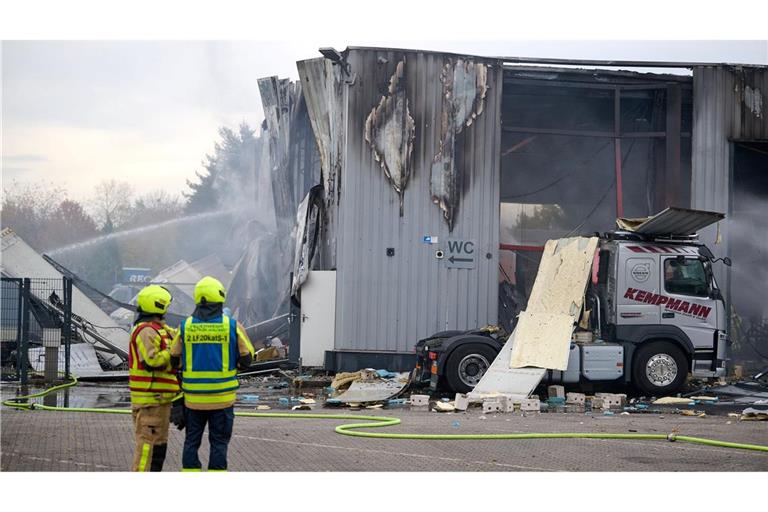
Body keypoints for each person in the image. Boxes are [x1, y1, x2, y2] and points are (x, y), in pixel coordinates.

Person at [170, 276, 254, 472]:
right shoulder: (231, 326)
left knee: (191, 441)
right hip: (222, 399)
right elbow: (247, 357)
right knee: (219, 443)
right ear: (220, 297)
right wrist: (235, 368)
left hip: (193, 400)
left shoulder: (185, 326)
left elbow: (173, 358)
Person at [128, 284, 180, 471]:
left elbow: (178, 336)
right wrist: (172, 353)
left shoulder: (160, 329)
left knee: (159, 446)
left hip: (161, 400)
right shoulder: (146, 331)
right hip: (150, 401)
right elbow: (152, 360)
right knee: (147, 447)